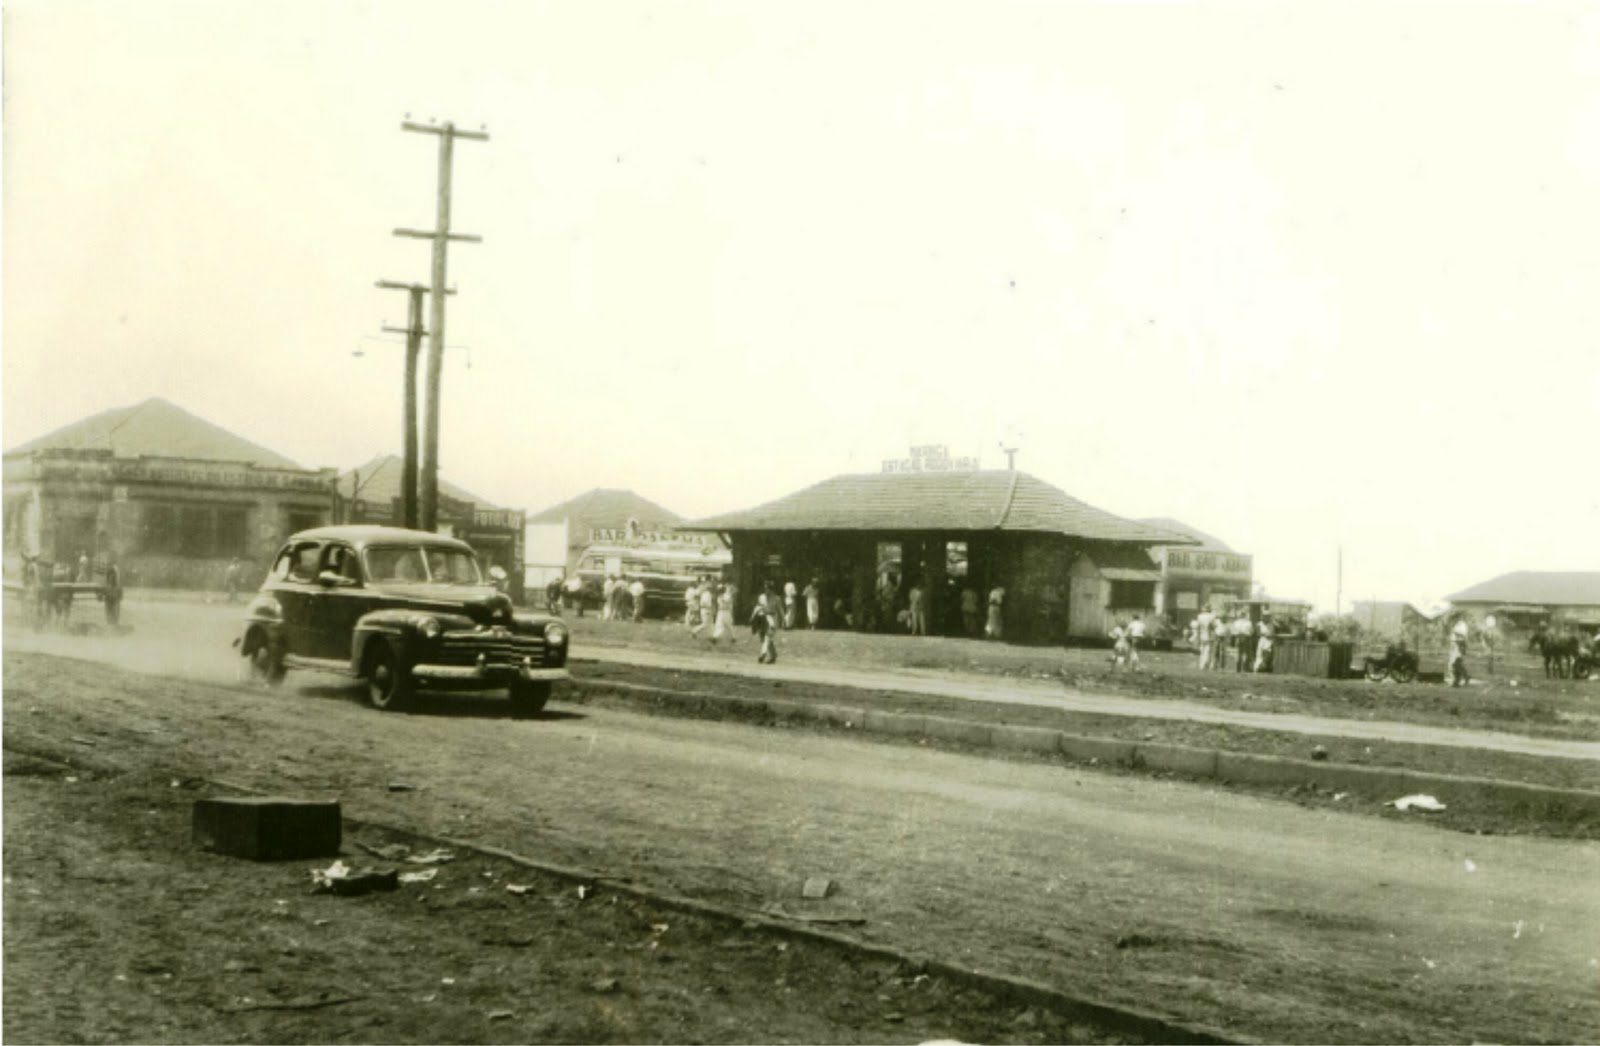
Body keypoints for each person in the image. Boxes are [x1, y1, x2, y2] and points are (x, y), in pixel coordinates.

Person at [752, 594, 778, 663]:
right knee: (766, 640)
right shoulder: (760, 608)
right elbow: (753, 618)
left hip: (766, 626)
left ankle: (763, 654)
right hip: (763, 626)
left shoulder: (764, 608)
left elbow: (753, 618)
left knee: (766, 640)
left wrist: (772, 625)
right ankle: (773, 654)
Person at [1449, 618, 1471, 687]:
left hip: (1458, 650)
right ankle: (1464, 677)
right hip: (1455, 649)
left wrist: (1461, 650)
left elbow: (1461, 639)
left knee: (1455, 665)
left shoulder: (1461, 625)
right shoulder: (1457, 626)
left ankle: (1457, 681)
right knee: (1457, 665)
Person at [1195, 605, 1216, 670]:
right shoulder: (1211, 616)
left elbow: (1197, 626)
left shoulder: (1199, 616)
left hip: (1202, 634)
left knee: (1202, 650)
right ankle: (1207, 664)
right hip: (1209, 635)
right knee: (1209, 650)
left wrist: (1198, 635)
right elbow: (1213, 626)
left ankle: (1201, 665)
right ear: (1209, 609)